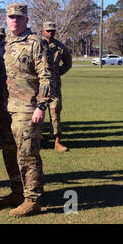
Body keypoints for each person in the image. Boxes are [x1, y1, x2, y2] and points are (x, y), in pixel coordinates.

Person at [0, 3, 54, 218]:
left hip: (27, 109)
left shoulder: (35, 43)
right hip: (5, 109)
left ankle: (32, 199)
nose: (14, 21)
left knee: (27, 154)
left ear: (26, 19)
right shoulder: (2, 44)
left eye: (19, 18)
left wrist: (41, 105)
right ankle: (17, 192)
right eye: (11, 17)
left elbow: (46, 76)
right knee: (9, 152)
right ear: (6, 19)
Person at [41, 22, 72, 152]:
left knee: (55, 113)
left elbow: (68, 63)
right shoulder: (37, 44)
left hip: (54, 86)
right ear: (43, 31)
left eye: (53, 31)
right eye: (48, 30)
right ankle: (38, 139)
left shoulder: (60, 47)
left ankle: (57, 141)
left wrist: (57, 72)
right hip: (38, 86)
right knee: (35, 113)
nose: (50, 33)